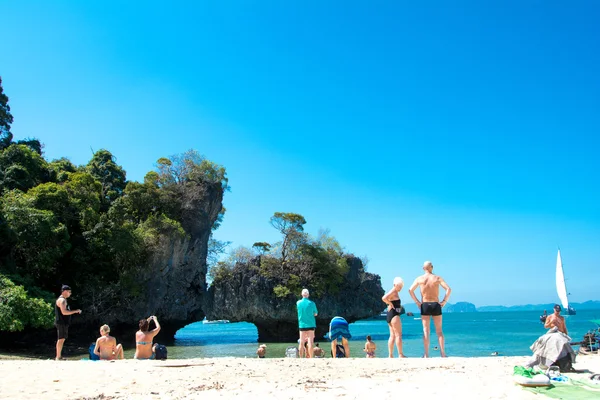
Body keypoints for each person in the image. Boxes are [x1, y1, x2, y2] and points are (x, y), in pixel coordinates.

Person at [408, 261, 452, 358]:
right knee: (439, 331)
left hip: (425, 304)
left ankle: (426, 354)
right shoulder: (437, 278)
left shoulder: (420, 279)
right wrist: (444, 301)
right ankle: (443, 354)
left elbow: (410, 290)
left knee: (425, 330)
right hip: (436, 304)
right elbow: (448, 289)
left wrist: (417, 302)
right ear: (432, 267)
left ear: (423, 268)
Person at [55, 285, 82, 360]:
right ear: (65, 291)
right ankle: (58, 356)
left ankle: (59, 356)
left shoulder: (64, 300)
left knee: (62, 338)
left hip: (63, 322)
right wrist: (75, 311)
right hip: (61, 322)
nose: (70, 293)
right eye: (69, 292)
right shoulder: (62, 300)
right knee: (60, 339)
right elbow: (64, 312)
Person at [382, 277, 405, 358]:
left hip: (390, 315)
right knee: (398, 335)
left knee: (392, 335)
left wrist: (390, 304)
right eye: (400, 286)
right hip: (394, 315)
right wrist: (390, 304)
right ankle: (400, 354)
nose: (400, 288)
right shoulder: (393, 291)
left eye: (401, 287)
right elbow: (384, 298)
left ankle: (390, 355)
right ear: (395, 285)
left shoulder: (394, 291)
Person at [296, 288, 318, 358]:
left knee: (301, 342)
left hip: (302, 325)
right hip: (311, 324)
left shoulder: (298, 303)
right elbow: (316, 314)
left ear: (302, 294)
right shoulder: (312, 303)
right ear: (308, 295)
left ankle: (301, 357)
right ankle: (311, 357)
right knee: (310, 341)